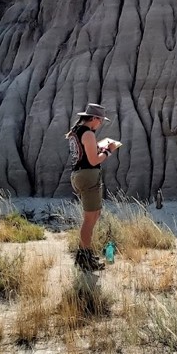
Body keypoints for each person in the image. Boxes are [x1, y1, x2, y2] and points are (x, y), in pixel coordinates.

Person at [67, 103, 114, 270]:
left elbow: (85, 155)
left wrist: (99, 148)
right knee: (89, 219)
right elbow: (94, 160)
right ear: (94, 118)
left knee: (95, 215)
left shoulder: (76, 132)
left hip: (80, 174)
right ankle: (84, 257)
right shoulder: (88, 134)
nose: (100, 123)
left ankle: (84, 254)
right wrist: (108, 151)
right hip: (88, 175)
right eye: (100, 120)